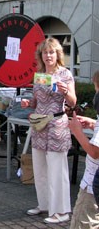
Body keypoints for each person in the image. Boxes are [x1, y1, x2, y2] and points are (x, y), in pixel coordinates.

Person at [21, 37, 76, 224]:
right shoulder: (39, 75)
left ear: (58, 54)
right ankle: (44, 204)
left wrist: (65, 92)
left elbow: (73, 102)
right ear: (41, 55)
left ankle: (61, 211)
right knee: (40, 167)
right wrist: (28, 103)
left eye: (52, 52)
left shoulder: (65, 74)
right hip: (39, 125)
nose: (48, 55)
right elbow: (36, 101)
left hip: (56, 125)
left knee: (57, 169)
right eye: (45, 52)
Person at [68, 70, 99, 228]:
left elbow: (95, 152)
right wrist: (93, 123)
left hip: (92, 184)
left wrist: (77, 132)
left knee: (83, 222)